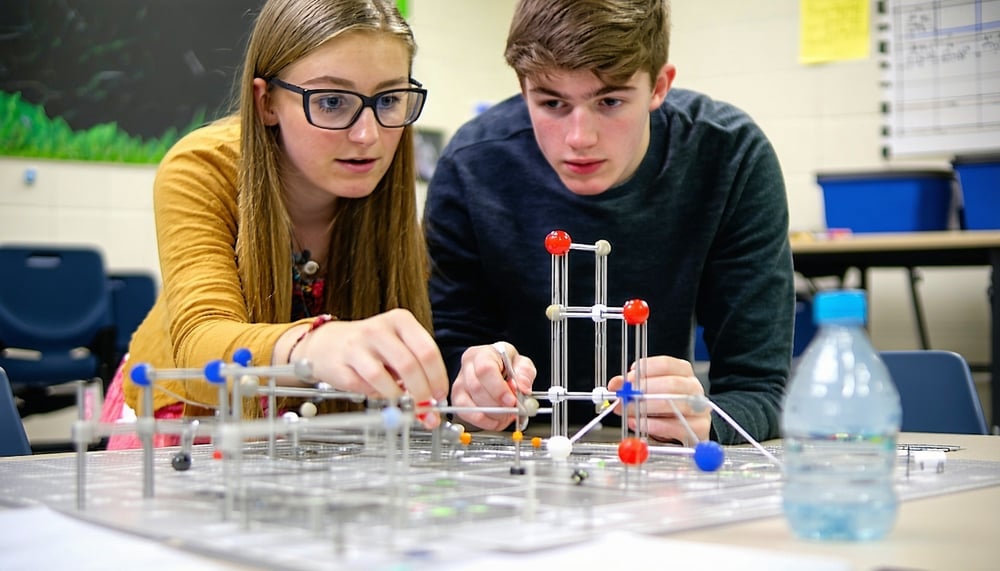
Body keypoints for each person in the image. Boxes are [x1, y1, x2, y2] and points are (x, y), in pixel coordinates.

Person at [423, 0, 794, 445]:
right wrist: (469, 388)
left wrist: (707, 420)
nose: (580, 138)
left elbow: (761, 390)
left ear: (659, 86)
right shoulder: (472, 165)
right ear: (523, 90)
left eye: (610, 100)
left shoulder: (730, 156)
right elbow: (444, 368)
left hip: (656, 464)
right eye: (552, 102)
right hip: (516, 459)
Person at [101, 0, 449, 448]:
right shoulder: (201, 166)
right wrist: (314, 346)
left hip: (317, 437)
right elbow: (202, 341)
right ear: (266, 102)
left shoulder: (390, 171)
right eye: (330, 101)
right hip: (185, 422)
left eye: (388, 99)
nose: (367, 135)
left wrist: (473, 376)